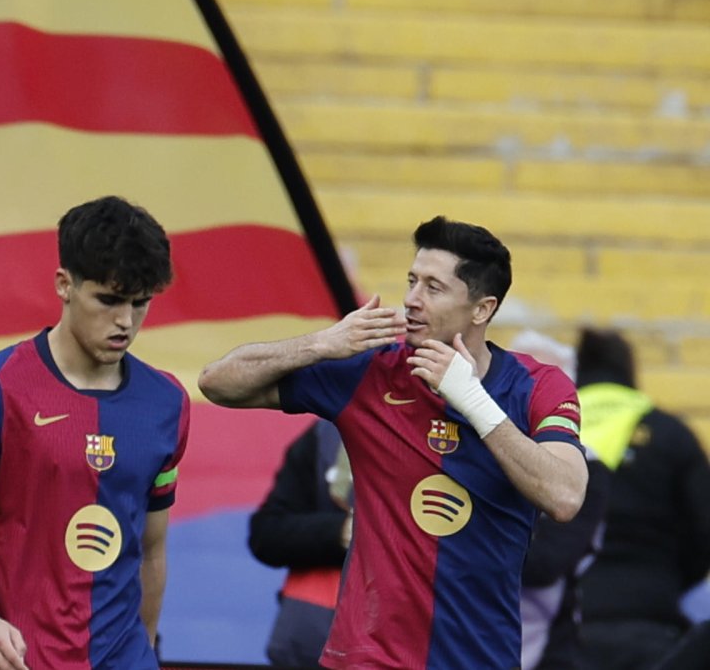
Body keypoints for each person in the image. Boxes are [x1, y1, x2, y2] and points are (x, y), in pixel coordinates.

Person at [199, 215, 588, 669]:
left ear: (482, 309)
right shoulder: (373, 370)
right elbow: (217, 382)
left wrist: (474, 403)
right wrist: (320, 343)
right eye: (411, 281)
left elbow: (564, 496)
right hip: (366, 658)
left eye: (433, 288)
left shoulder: (538, 385)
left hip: (479, 658)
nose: (411, 300)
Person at [0, 196, 188, 670]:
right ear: (65, 285)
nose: (126, 321)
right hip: (19, 660)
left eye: (140, 302)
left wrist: (145, 649)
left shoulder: (167, 403)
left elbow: (152, 548)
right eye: (108, 300)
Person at [573, 328, 710, 670]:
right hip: (651, 621)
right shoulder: (671, 434)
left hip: (566, 629)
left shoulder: (546, 436)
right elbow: (703, 533)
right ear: (630, 373)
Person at [506, 331, 612, 670]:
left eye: (555, 391)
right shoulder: (470, 450)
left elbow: (545, 564)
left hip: (545, 642)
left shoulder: (589, 468)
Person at [247, 418, 351, 669]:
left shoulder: (452, 433)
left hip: (410, 638)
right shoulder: (326, 434)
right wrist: (340, 532)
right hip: (314, 640)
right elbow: (266, 534)